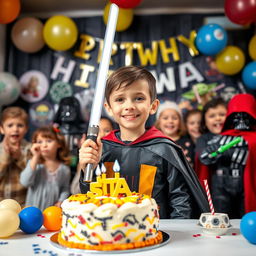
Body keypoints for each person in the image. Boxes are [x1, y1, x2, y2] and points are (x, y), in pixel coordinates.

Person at [79, 65, 209, 219]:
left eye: (139, 98)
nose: (129, 106)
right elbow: (90, 199)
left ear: (153, 106)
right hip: (110, 232)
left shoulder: (165, 149)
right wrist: (86, 169)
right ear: (109, 108)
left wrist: (178, 230)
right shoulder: (102, 148)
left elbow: (180, 200)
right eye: (120, 99)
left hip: (158, 232)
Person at [197, 94, 256, 218]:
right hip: (221, 182)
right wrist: (213, 151)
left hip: (243, 183)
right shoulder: (217, 139)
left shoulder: (252, 138)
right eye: (237, 117)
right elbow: (204, 158)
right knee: (220, 217)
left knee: (244, 215)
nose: (241, 121)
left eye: (245, 117)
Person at [20, 126, 71, 211]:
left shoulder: (64, 169)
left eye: (49, 141)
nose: (44, 145)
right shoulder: (34, 164)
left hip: (52, 213)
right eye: (40, 142)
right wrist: (35, 157)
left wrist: (61, 200)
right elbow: (25, 182)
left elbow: (65, 188)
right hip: (32, 212)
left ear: (59, 144)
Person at [70, 116, 115, 194]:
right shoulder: (86, 159)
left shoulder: (115, 157)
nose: (101, 136)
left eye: (107, 130)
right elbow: (76, 191)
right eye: (96, 132)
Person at [0, 107, 31, 206]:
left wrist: (19, 157)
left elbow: (31, 176)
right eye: (10, 125)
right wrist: (5, 157)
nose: (15, 129)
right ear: (2, 129)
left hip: (22, 202)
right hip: (1, 203)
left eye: (20, 125)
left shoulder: (30, 148)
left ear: (26, 129)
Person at [155, 101, 194, 167]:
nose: (170, 121)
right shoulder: (155, 143)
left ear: (180, 123)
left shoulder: (188, 142)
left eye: (174, 118)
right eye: (165, 118)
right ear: (159, 122)